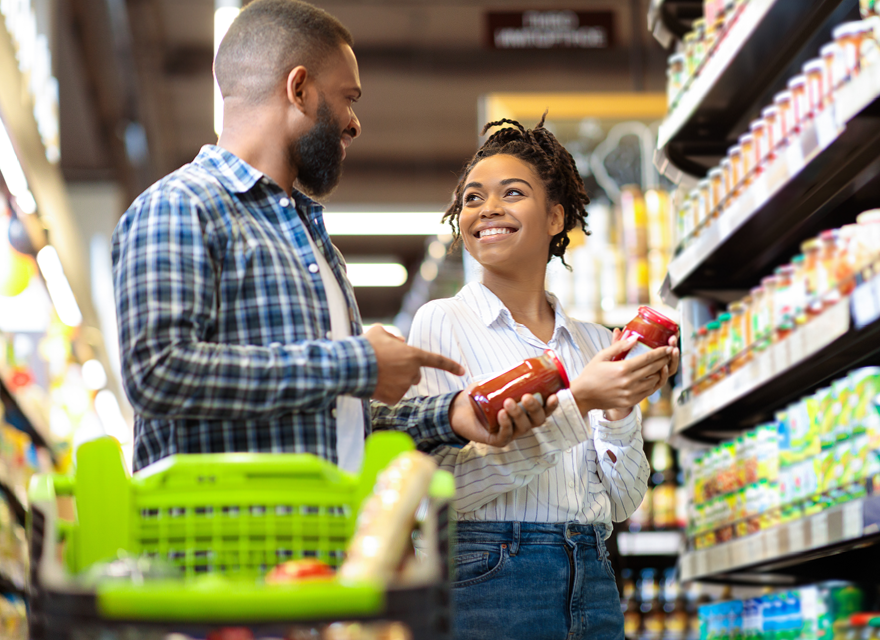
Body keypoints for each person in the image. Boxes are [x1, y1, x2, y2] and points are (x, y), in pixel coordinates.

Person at [111, 0, 556, 473]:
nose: (355, 122)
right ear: (299, 89)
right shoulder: (181, 206)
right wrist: (356, 362)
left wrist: (451, 414)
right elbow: (157, 373)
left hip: (321, 536)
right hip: (222, 541)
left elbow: (337, 419)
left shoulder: (313, 244)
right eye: (349, 98)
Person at [406, 116, 679, 640]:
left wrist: (620, 405)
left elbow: (623, 502)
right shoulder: (443, 322)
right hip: (487, 577)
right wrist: (581, 402)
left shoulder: (598, 344)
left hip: (593, 575)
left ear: (556, 217)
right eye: (472, 198)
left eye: (512, 193)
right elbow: (447, 490)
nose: (488, 209)